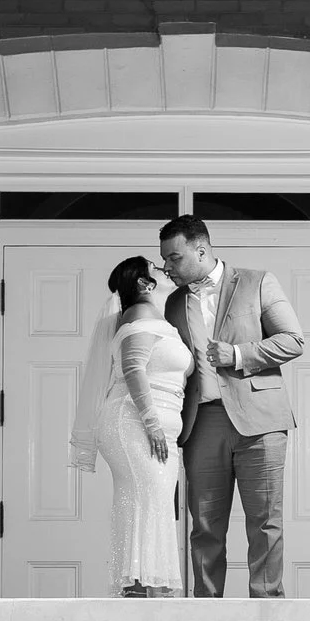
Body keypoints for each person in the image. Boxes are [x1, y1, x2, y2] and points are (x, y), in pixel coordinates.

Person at [157, 214, 305, 599]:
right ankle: (207, 613)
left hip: (261, 421)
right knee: (204, 527)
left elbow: (293, 340)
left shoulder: (257, 282)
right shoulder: (172, 303)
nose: (167, 267)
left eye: (174, 258)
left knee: (265, 523)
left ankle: (267, 611)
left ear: (200, 249)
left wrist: (237, 354)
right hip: (201, 423)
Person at [67, 256, 193, 597]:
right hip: (133, 423)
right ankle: (140, 586)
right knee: (147, 499)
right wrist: (152, 424)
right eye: (156, 267)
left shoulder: (159, 318)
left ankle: (141, 586)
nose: (165, 269)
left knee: (150, 501)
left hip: (157, 426)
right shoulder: (139, 314)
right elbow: (134, 368)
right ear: (143, 284)